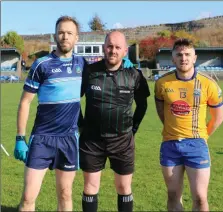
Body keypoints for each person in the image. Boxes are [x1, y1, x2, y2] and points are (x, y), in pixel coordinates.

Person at [14, 16, 133, 211]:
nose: (65, 36)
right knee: (28, 198)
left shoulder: (83, 66)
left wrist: (123, 64)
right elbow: (25, 102)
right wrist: (20, 137)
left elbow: (107, 67)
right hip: (43, 138)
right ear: (55, 36)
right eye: (61, 32)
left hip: (69, 139)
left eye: (69, 33)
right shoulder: (41, 65)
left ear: (76, 38)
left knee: (66, 194)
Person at [79, 31, 150, 212]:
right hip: (92, 141)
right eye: (110, 46)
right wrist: (80, 124)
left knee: (124, 188)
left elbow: (142, 105)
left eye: (118, 47)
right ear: (104, 47)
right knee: (90, 188)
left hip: (123, 141)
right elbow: (73, 100)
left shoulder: (134, 75)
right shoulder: (89, 72)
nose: (113, 50)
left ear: (125, 51)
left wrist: (133, 128)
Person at [154, 38, 223, 211]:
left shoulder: (208, 84)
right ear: (173, 59)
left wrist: (202, 136)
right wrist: (172, 130)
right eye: (179, 54)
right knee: (172, 195)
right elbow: (161, 112)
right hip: (170, 144)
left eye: (187, 54)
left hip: (197, 145)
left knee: (200, 198)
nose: (183, 58)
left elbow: (218, 118)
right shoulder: (162, 83)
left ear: (194, 58)